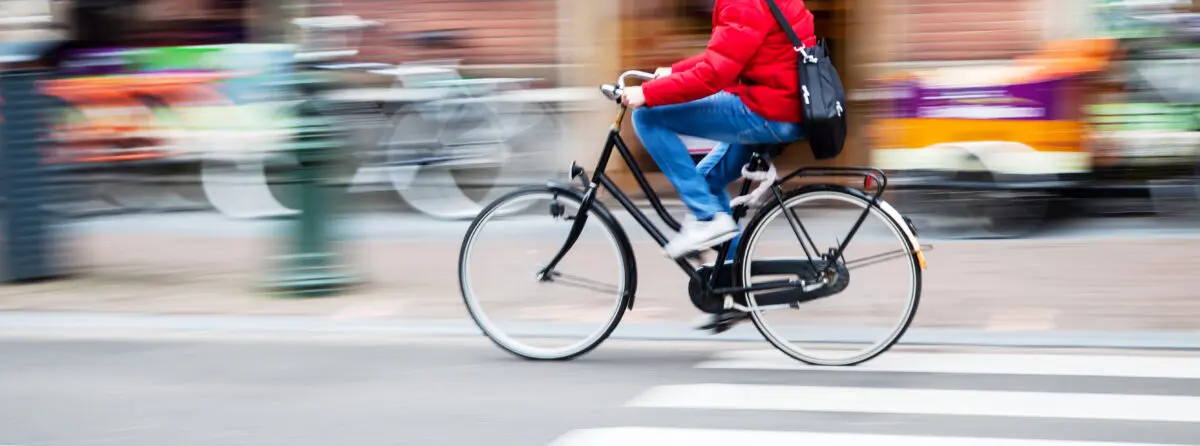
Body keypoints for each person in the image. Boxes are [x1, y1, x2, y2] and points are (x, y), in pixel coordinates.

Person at [621, 0, 816, 262]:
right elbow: (733, 53)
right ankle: (733, 280)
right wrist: (676, 71)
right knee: (705, 183)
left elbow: (713, 75)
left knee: (647, 117)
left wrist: (646, 93)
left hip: (767, 111)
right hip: (782, 105)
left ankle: (707, 217)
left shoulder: (742, 3)